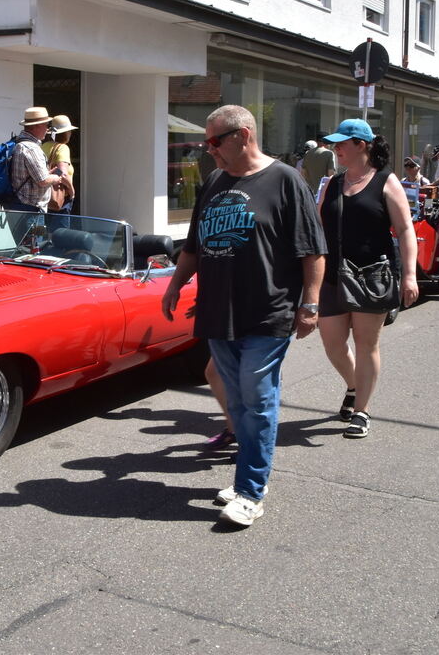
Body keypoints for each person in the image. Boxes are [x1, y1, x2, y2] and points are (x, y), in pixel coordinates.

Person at [161, 105, 326, 528]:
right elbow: (195, 244)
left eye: (215, 141)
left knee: (258, 400)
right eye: (206, 141)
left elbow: (312, 250)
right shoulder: (215, 180)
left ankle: (251, 492)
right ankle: (247, 480)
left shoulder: (286, 181)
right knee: (236, 402)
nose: (208, 149)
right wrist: (176, 283)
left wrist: (310, 304)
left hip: (267, 311)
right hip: (218, 311)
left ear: (244, 136)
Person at [315, 119, 418, 440]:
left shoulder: (386, 181)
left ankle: (362, 410)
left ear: (362, 145)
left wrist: (410, 275)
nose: (336, 149)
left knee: (365, 344)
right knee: (332, 344)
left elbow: (405, 230)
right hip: (332, 275)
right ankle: (353, 385)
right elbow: (318, 227)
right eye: (335, 144)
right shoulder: (332, 183)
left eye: (341, 144)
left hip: (372, 275)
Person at [5, 107, 70, 213]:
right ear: (36, 126)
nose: (47, 129)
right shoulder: (31, 148)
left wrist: (48, 174)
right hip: (30, 208)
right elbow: (43, 180)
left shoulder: (20, 143)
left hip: (20, 205)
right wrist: (58, 178)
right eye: (46, 125)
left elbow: (33, 175)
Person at [43, 115, 77, 215]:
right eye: (69, 131)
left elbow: (49, 168)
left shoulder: (44, 146)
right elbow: (62, 173)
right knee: (60, 230)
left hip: (45, 196)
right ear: (66, 133)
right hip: (59, 197)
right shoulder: (62, 148)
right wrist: (71, 190)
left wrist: (54, 170)